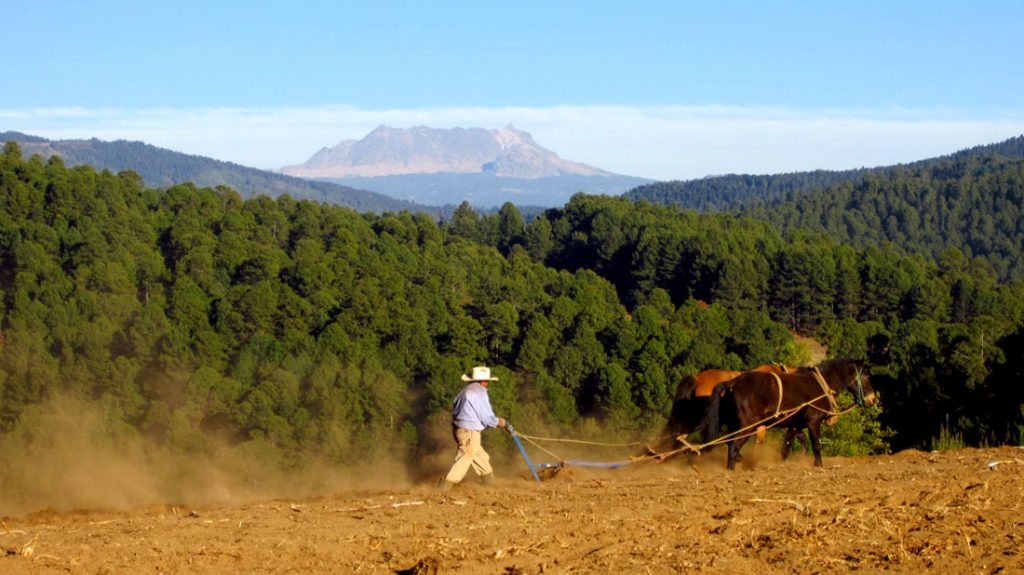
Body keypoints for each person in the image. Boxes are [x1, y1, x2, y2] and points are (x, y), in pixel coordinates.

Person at [439, 365, 508, 491]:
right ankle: (445, 486)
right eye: (487, 381)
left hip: (459, 428)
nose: (487, 383)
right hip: (469, 430)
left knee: (479, 456)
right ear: (484, 381)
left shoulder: (464, 391)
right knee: (466, 456)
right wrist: (498, 421)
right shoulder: (479, 392)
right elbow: (485, 416)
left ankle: (489, 483)